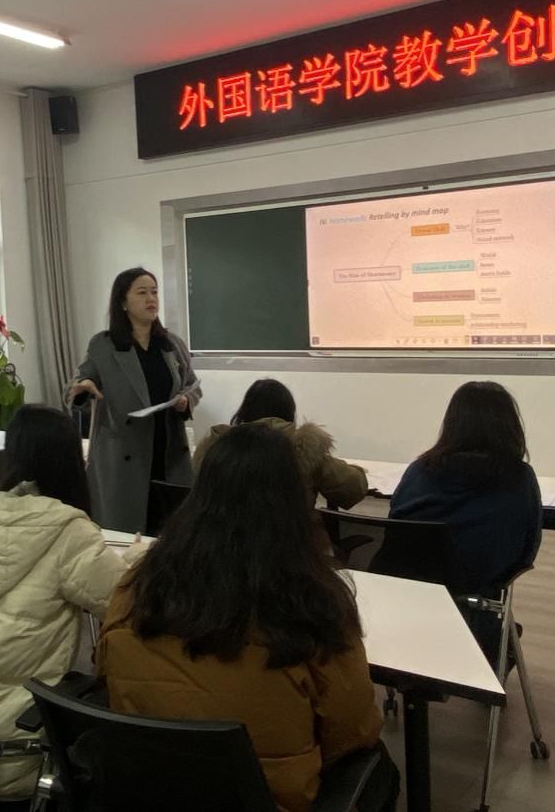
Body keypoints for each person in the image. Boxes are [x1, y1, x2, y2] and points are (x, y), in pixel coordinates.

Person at [98, 424, 399, 812]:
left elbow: (106, 673)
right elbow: (354, 732)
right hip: (268, 800)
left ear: (200, 494)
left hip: (150, 792)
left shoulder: (136, 588)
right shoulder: (314, 605)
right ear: (293, 501)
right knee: (382, 772)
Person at [0, 405, 143, 799]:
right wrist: (137, 561)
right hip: (12, 746)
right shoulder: (65, 530)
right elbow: (125, 602)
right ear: (71, 461)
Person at [389, 380, 543, 663]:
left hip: (411, 595)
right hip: (476, 598)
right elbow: (527, 549)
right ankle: (497, 648)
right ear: (510, 426)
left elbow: (394, 525)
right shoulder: (519, 478)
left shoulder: (419, 470)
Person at [66, 267, 202, 532]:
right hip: (123, 458)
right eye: (142, 293)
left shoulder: (171, 344)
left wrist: (186, 401)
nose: (151, 299)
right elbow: (78, 383)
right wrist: (82, 388)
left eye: (154, 292)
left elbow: (192, 385)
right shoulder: (103, 345)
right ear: (123, 302)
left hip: (169, 452)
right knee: (127, 535)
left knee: (170, 531)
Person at [192, 378, 367, 509]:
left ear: (244, 410)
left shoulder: (217, 447)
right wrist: (357, 471)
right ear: (289, 412)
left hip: (220, 544)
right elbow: (353, 490)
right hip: (291, 543)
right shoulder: (305, 447)